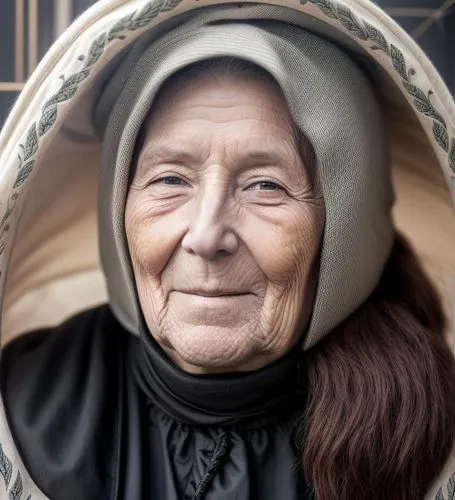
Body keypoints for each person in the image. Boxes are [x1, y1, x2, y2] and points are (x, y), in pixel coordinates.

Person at [0, 1, 454, 499]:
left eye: (265, 186)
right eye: (170, 179)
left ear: (346, 231)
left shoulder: (434, 431)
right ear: (118, 210)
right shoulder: (28, 405)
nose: (206, 235)